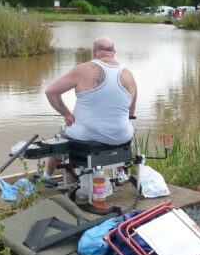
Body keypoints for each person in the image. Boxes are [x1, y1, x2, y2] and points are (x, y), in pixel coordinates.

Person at [43, 36, 137, 175]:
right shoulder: (129, 75)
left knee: (60, 135)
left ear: (93, 52)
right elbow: (130, 113)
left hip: (88, 138)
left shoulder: (84, 69)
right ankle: (120, 173)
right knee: (122, 128)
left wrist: (67, 114)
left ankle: (47, 176)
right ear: (114, 52)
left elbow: (51, 92)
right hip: (122, 138)